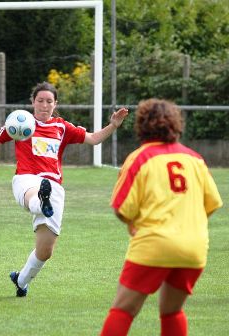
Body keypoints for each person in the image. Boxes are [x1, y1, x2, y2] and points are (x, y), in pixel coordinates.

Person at [0, 82, 128, 297]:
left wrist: (113, 125)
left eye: (49, 101)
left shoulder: (61, 127)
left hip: (53, 187)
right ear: (33, 102)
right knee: (35, 195)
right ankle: (39, 202)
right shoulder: (19, 122)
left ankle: (22, 280)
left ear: (55, 104)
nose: (44, 105)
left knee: (45, 251)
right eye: (40, 100)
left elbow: (93, 139)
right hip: (26, 180)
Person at [100, 99, 223, 336]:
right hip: (193, 248)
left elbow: (121, 208)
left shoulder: (140, 158)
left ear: (142, 125)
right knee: (172, 311)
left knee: (123, 310)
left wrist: (134, 224)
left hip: (154, 244)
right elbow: (212, 203)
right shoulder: (195, 159)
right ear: (176, 124)